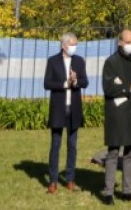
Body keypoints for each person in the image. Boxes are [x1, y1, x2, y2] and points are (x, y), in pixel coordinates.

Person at [101, 29, 131, 205]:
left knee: (130, 152)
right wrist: (130, 86)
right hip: (117, 113)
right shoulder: (111, 62)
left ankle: (127, 191)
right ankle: (108, 192)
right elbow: (109, 88)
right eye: (128, 42)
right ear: (120, 42)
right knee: (114, 151)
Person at [43, 32, 89, 194]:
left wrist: (75, 81)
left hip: (73, 109)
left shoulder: (79, 61)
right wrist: (65, 83)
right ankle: (53, 181)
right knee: (55, 145)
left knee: (72, 145)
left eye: (75, 44)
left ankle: (70, 179)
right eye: (71, 44)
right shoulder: (53, 61)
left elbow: (85, 82)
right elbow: (47, 83)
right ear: (63, 45)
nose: (74, 47)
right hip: (58, 109)